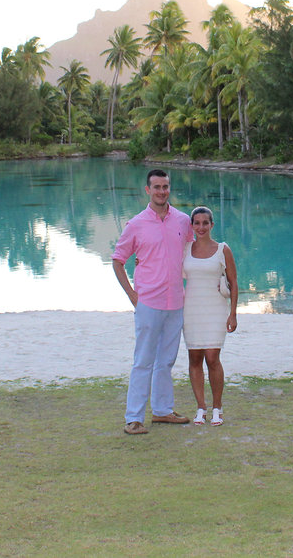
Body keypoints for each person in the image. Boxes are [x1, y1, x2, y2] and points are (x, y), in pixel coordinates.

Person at [112, 168, 194, 435]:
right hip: (148, 302)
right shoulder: (136, 224)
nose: (162, 191)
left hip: (176, 303)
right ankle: (133, 418)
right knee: (143, 361)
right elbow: (118, 260)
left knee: (166, 361)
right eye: (157, 187)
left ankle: (162, 411)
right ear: (147, 190)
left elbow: (193, 253)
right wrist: (132, 295)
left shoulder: (183, 221)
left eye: (166, 186)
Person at [182, 205, 238, 426]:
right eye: (197, 223)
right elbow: (165, 266)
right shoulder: (185, 248)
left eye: (205, 223)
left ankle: (217, 408)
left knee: (213, 357)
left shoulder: (223, 249)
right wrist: (141, 262)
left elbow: (233, 284)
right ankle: (200, 408)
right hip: (191, 309)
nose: (201, 227)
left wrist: (233, 314)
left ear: (212, 225)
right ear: (192, 226)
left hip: (215, 309)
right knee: (194, 359)